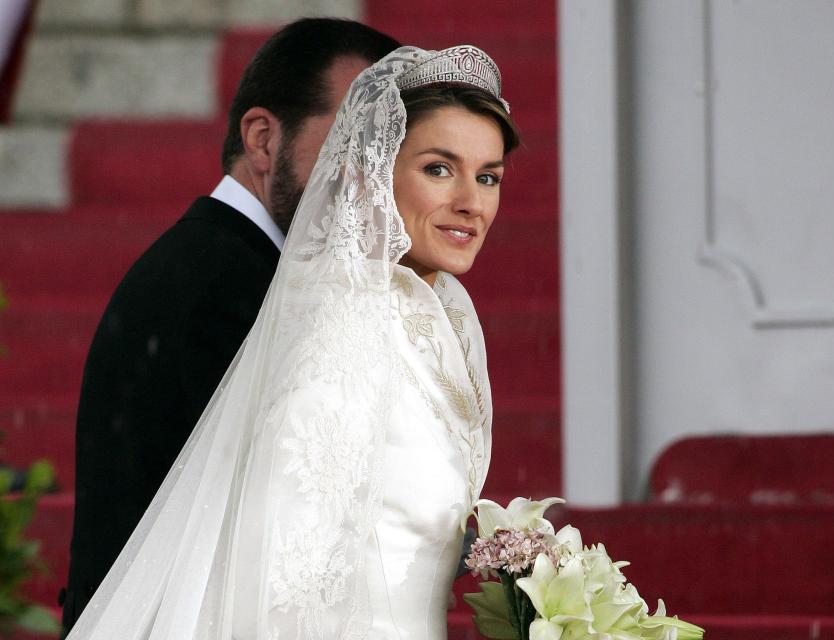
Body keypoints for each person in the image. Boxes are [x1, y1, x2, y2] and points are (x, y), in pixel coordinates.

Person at [66, 44, 519, 639]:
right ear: (371, 174)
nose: (471, 202)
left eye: (488, 177)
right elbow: (285, 582)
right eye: (438, 168)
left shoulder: (440, 313)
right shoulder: (337, 320)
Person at [60, 18, 400, 633]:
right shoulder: (227, 288)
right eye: (353, 142)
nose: (372, 182)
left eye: (391, 153)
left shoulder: (228, 266)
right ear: (263, 139)